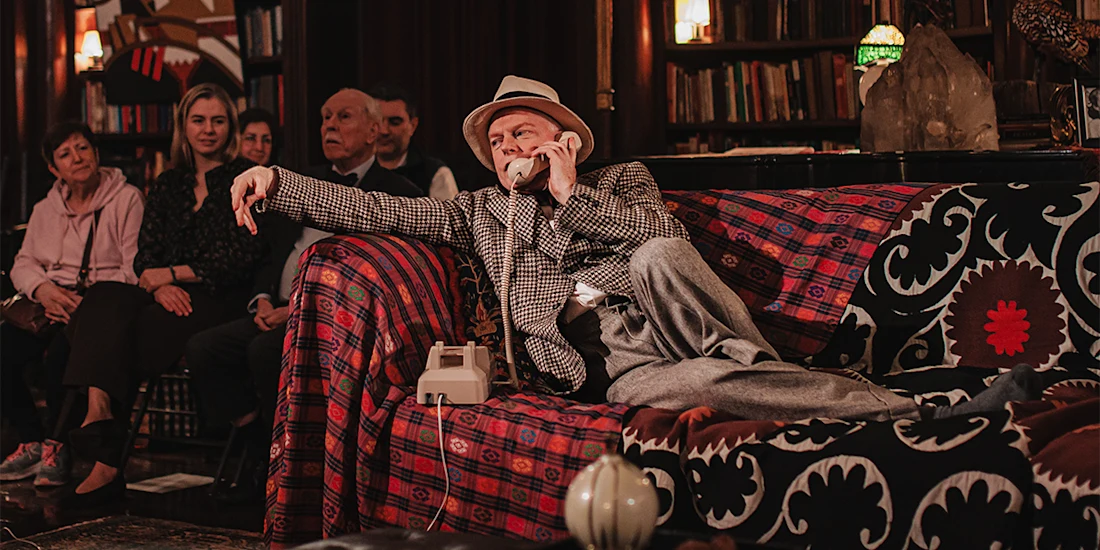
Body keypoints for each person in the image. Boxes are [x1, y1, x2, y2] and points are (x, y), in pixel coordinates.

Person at [230, 75, 1041, 426]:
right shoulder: (479, 212)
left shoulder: (625, 182)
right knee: (713, 383)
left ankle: (750, 368)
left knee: (653, 256)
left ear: (564, 139)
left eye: (525, 131)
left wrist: (570, 195)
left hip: (677, 310)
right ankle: (920, 410)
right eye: (500, 137)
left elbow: (662, 244)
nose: (510, 143)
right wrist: (277, 180)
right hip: (616, 367)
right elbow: (370, 206)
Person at [185, 88, 421, 502]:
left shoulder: (399, 191)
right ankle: (258, 440)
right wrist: (260, 297)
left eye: (343, 117)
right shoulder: (302, 181)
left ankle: (282, 465)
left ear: (373, 130)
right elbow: (271, 254)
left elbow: (386, 277)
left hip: (338, 322)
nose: (329, 125)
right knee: (205, 348)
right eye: (325, 117)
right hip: (275, 309)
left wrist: (295, 308)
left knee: (263, 352)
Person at [59, 83, 266, 506]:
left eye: (218, 121)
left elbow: (236, 259)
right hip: (167, 292)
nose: (208, 130)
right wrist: (160, 284)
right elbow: (144, 255)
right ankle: (98, 410)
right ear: (183, 127)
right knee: (102, 298)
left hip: (218, 297)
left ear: (231, 126)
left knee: (115, 330)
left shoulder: (245, 176)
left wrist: (167, 275)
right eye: (198, 120)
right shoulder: (168, 182)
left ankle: (107, 452)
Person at [0, 122, 144, 488]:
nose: (77, 158)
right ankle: (31, 439)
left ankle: (57, 446)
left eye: (82, 148)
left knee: (62, 360)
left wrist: (90, 304)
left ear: (96, 153)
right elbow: (23, 262)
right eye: (65, 154)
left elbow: (135, 269)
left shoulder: (127, 199)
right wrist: (43, 290)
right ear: (54, 168)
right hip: (50, 301)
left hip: (101, 305)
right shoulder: (45, 209)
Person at [368, 82, 458, 200]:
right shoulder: (351, 168)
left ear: (413, 125)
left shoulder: (436, 174)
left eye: (394, 122)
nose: (384, 131)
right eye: (378, 122)